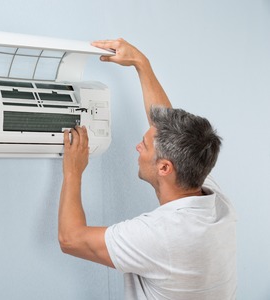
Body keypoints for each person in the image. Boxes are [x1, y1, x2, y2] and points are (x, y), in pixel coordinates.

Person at [58, 38, 237, 299]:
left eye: (144, 145)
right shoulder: (215, 203)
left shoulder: (160, 235)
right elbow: (165, 126)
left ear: (165, 167)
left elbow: (71, 239)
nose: (137, 148)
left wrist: (73, 171)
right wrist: (142, 64)